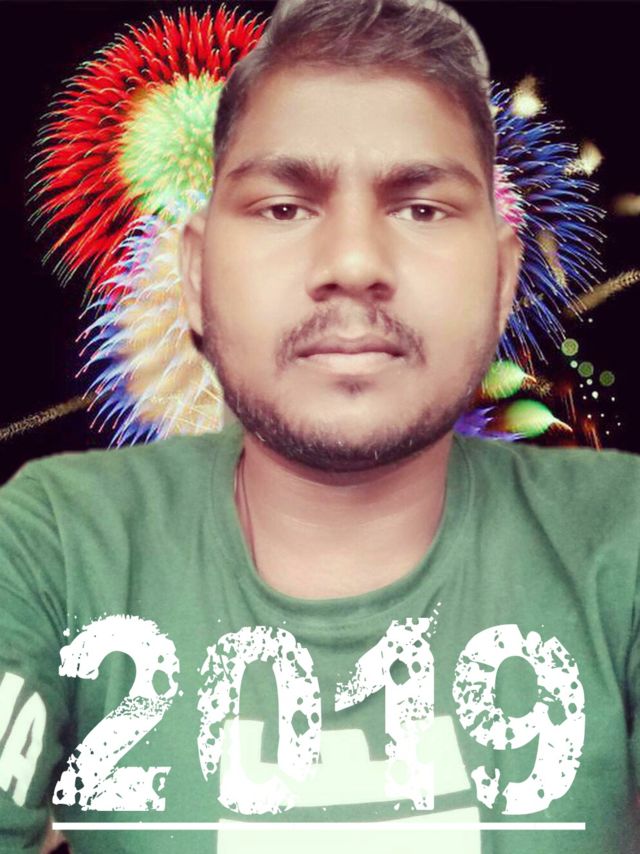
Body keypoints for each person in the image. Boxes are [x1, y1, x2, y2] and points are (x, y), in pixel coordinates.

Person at [1, 0, 639, 852]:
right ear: (194, 276)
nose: (353, 263)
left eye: (422, 208)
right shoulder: (53, 540)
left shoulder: (622, 536)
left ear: (501, 279)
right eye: (283, 207)